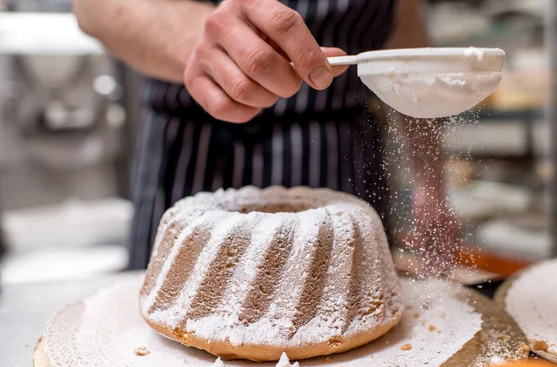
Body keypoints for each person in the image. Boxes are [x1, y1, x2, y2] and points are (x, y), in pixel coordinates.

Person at [73, 0, 457, 275]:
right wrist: (214, 48)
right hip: (193, 151)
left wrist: (430, 184)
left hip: (339, 160)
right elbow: (94, 7)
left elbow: (405, 46)